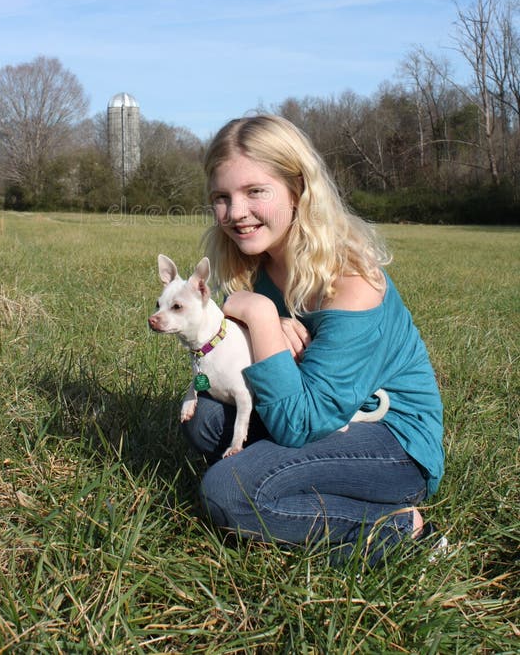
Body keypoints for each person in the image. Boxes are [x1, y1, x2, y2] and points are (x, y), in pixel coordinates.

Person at [181, 114, 445, 566]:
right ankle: (291, 485)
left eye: (254, 191)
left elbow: (299, 424)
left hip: (391, 440)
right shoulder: (258, 265)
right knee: (204, 417)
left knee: (228, 492)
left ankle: (403, 529)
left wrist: (262, 318)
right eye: (221, 198)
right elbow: (232, 361)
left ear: (298, 189)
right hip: (322, 414)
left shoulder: (351, 280)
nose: (236, 212)